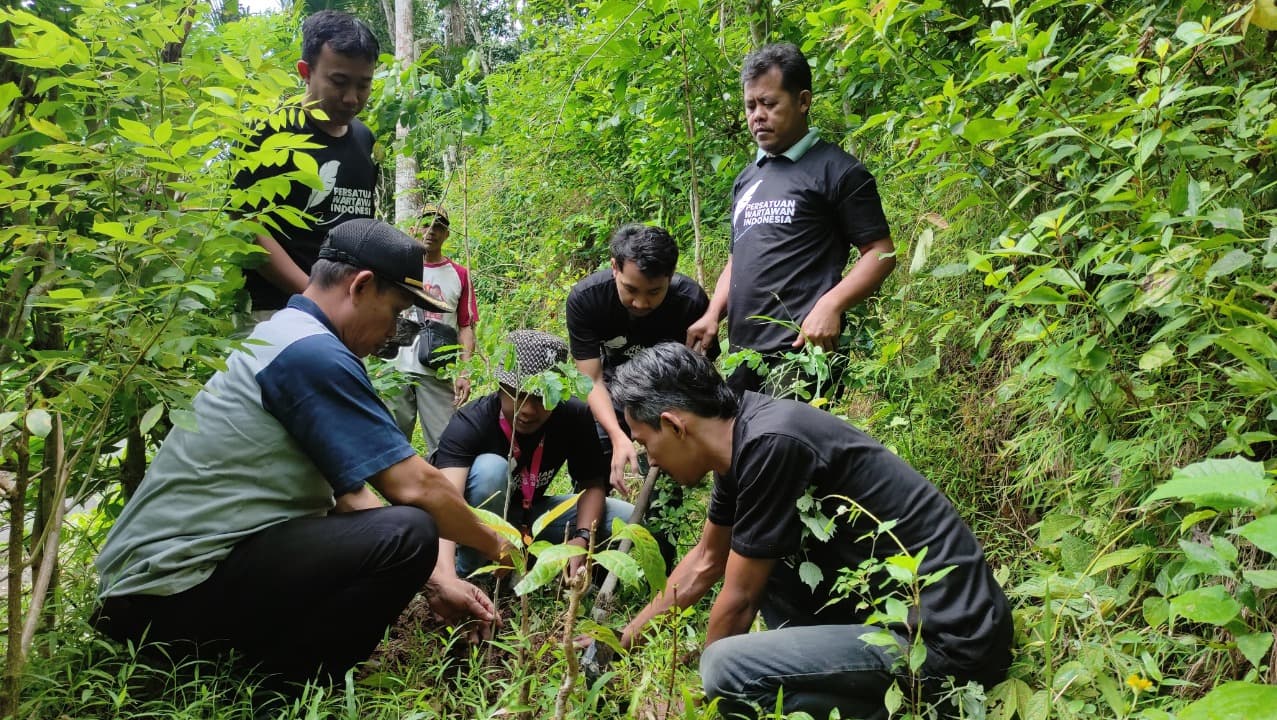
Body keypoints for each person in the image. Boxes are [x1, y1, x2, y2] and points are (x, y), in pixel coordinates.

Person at [94, 219, 509, 685]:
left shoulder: (287, 336)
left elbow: (350, 497)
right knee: (410, 530)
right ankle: (287, 687)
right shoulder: (311, 353)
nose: (392, 331)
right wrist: (504, 550)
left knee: (395, 531)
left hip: (149, 595)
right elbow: (415, 485)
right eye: (395, 312)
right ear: (362, 286)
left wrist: (437, 582)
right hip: (163, 598)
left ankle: (255, 663)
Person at [605, 343, 1013, 720]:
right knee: (767, 569)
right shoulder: (739, 444)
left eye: (645, 443)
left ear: (674, 425)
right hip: (899, 626)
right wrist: (619, 643)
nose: (651, 462)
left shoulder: (772, 444)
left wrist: (699, 704)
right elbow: (707, 560)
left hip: (947, 646)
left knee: (727, 666)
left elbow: (740, 598)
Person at [685, 43, 896, 396]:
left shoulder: (838, 171)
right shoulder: (749, 177)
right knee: (745, 449)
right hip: (743, 356)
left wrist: (831, 304)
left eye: (769, 104)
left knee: (787, 450)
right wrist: (712, 315)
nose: (757, 116)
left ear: (803, 101)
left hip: (800, 355)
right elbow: (738, 260)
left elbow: (880, 253)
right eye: (751, 106)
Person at [430, 330, 636, 580]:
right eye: (517, 394)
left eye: (540, 397)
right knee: (491, 470)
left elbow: (591, 484)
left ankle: (558, 569)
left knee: (624, 517)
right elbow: (446, 503)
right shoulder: (470, 422)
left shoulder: (574, 416)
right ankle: (473, 574)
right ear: (501, 387)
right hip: (474, 523)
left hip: (530, 516)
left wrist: (581, 538)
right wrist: (446, 578)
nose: (528, 409)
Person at [234, 10, 380, 321]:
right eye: (339, 82)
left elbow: (360, 230)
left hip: (346, 312)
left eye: (363, 84)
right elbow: (247, 227)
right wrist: (314, 297)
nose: (352, 98)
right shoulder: (267, 132)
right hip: (276, 311)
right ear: (306, 71)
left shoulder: (364, 140)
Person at [566, 223, 716, 493]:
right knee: (589, 438)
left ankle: (661, 526)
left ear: (670, 277)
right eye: (631, 290)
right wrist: (616, 436)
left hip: (669, 394)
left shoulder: (689, 301)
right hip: (614, 386)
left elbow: (700, 380)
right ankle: (588, 525)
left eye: (654, 292)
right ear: (615, 267)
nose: (641, 303)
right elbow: (591, 379)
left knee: (668, 482)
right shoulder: (587, 299)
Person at [389, 204, 477, 452]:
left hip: (436, 369)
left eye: (439, 226)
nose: (431, 231)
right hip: (396, 369)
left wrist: (464, 372)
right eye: (426, 224)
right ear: (414, 228)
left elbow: (466, 326)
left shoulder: (459, 274)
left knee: (444, 445)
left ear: (447, 234)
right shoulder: (399, 266)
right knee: (389, 444)